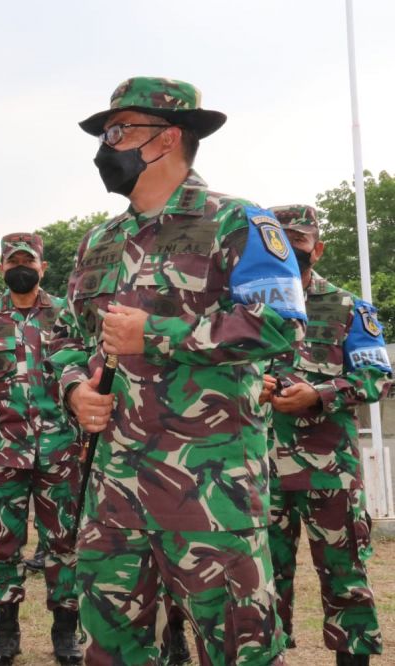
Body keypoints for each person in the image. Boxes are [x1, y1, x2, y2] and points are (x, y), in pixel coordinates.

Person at [57, 77, 307, 665]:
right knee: (109, 654)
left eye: (118, 131)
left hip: (210, 493)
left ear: (167, 138)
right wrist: (74, 390)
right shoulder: (101, 240)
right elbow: (67, 339)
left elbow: (280, 323)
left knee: (237, 652)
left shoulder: (237, 221)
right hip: (113, 494)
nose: (105, 147)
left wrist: (160, 335)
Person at [264, 204, 390, 665]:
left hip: (329, 472)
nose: (288, 254)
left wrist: (318, 394)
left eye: (298, 245)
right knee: (259, 586)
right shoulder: (240, 310)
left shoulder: (348, 308)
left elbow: (378, 378)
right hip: (256, 472)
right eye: (277, 244)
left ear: (317, 248)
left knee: (346, 581)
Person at [0, 232, 81, 665]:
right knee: (4, 547)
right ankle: (6, 635)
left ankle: (65, 634)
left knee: (63, 544)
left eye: (29, 261)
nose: (20, 267)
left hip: (62, 450)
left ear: (43, 267)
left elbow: (91, 376)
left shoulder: (68, 316)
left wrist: (88, 439)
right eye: (12, 262)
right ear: (1, 268)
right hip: (2, 452)